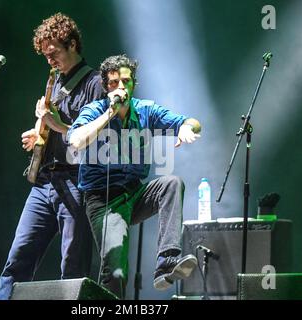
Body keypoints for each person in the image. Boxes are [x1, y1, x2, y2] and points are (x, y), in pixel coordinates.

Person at [67, 54, 201, 299]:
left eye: (126, 82)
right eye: (115, 82)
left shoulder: (146, 110)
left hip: (135, 193)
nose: (121, 87)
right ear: (106, 86)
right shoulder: (94, 111)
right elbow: (75, 140)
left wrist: (185, 127)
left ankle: (167, 263)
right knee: (116, 274)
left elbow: (192, 122)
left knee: (171, 183)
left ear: (133, 84)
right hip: (104, 202)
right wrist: (109, 113)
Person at [0, 13, 105, 300]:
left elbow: (96, 140)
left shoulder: (96, 83)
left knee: (73, 267)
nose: (49, 60)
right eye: (45, 55)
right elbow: (54, 128)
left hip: (76, 182)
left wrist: (56, 124)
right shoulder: (54, 82)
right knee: (17, 260)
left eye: (53, 53)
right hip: (44, 184)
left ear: (71, 44)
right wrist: (39, 137)